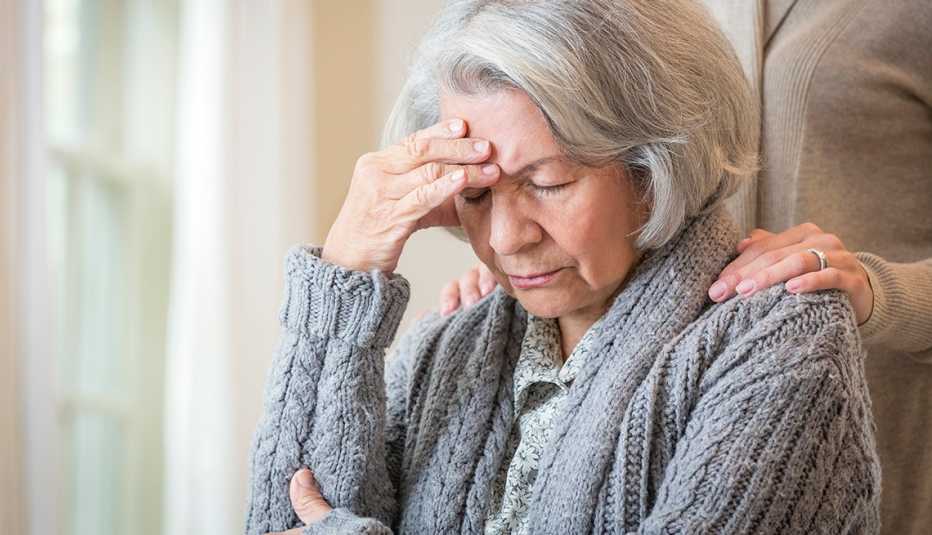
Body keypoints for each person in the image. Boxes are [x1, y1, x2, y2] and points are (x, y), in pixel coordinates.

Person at [244, 1, 881, 533]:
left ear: (654, 165)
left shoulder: (781, 347)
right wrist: (347, 271)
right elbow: (285, 515)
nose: (505, 239)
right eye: (475, 193)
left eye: (546, 184)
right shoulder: (444, 348)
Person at [443, 1, 932, 533]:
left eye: (551, 183)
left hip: (843, 424)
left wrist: (880, 293)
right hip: (648, 341)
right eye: (477, 194)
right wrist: (526, 269)